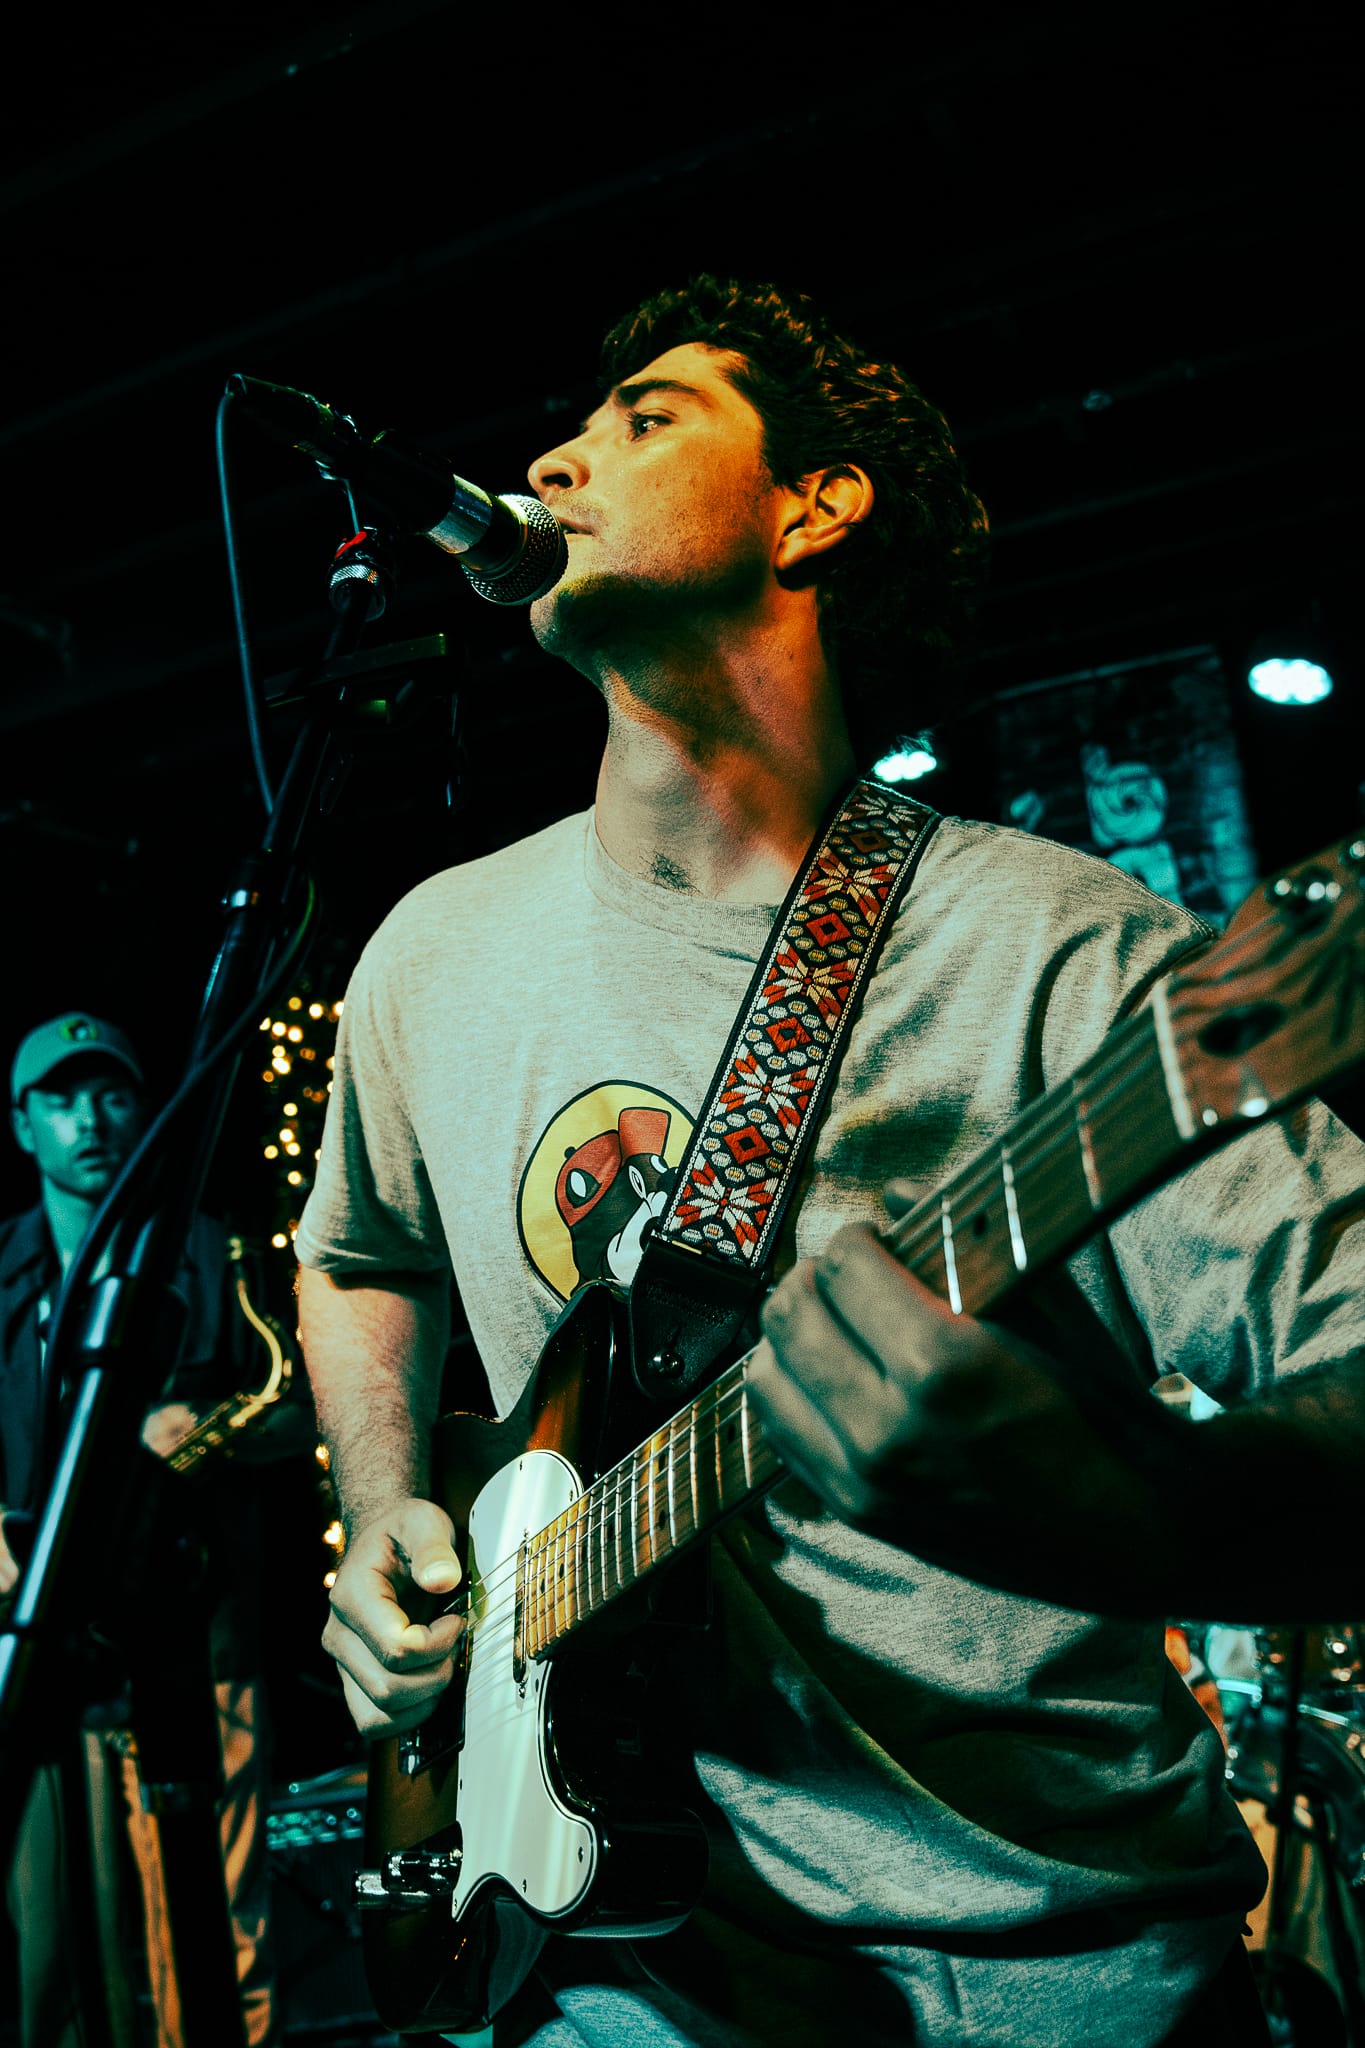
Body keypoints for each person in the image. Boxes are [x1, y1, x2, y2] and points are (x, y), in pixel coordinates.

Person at [294, 277, 1365, 2047]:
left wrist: (1129, 1506)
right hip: (601, 1965)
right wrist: (386, 1500)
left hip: (1034, 1966)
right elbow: (357, 1255)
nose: (553, 457)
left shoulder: (1059, 951)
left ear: (815, 506)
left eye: (647, 417)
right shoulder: (431, 951)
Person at [1, 1012, 281, 2048]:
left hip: (197, 1638)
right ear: (23, 1125)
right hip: (42, 1637)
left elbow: (292, 1408)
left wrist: (204, 1424)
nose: (90, 1122)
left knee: (222, 1930)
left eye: (111, 1094)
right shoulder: (1, 1270)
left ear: (143, 1108)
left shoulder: (208, 1245)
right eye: (62, 1100)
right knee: (53, 1957)